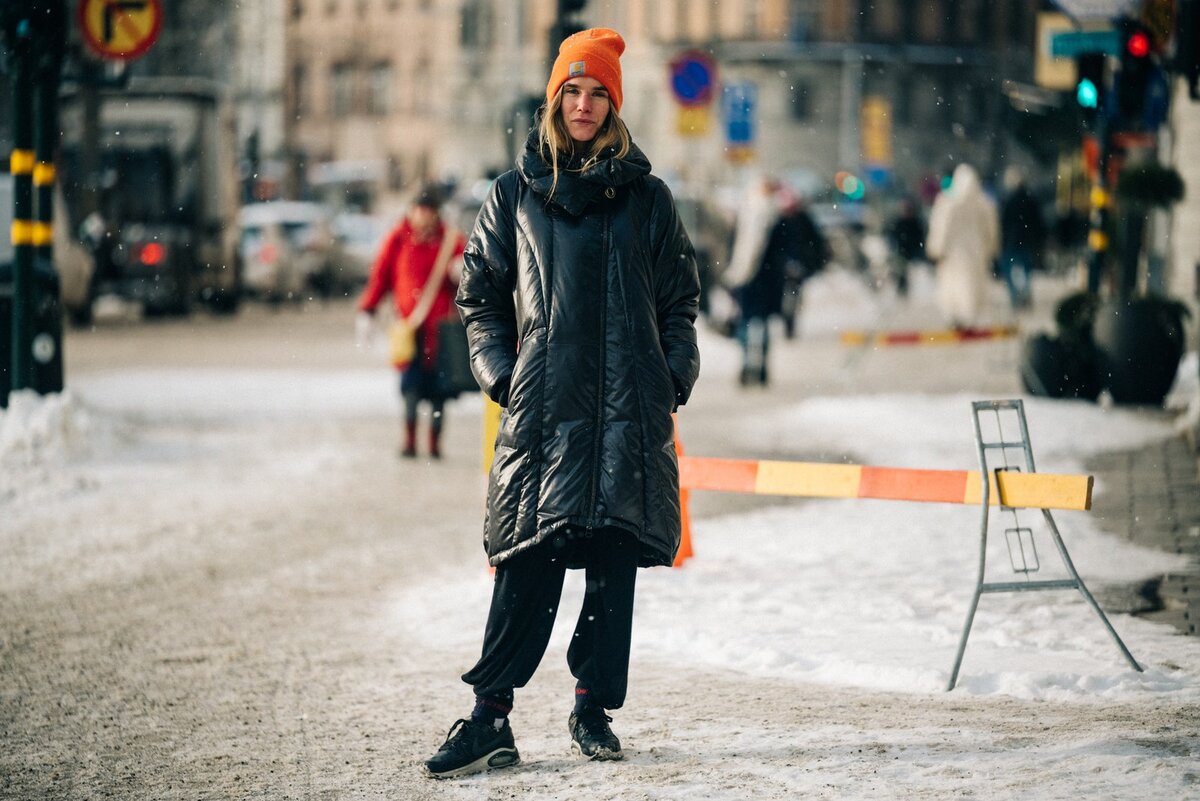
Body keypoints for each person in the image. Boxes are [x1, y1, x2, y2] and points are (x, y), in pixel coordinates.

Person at [423, 27, 700, 778]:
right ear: (554, 100)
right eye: (571, 91)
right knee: (529, 557)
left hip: (628, 407)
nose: (582, 104)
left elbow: (680, 299)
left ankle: (591, 705)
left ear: (615, 103)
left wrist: (671, 373)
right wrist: (504, 375)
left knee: (614, 557)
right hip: (544, 408)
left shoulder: (648, 200)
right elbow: (476, 292)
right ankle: (490, 717)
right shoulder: (513, 195)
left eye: (597, 92)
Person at [356, 185, 466, 459]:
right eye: (419, 210)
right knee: (410, 390)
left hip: (441, 333)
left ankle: (435, 444)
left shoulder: (452, 242)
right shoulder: (398, 239)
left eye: (428, 211)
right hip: (410, 331)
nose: (422, 216)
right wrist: (368, 309)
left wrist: (463, 272)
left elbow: (474, 277)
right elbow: (380, 276)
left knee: (440, 393)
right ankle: (409, 441)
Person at [722, 176, 782, 385]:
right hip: (765, 279)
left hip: (748, 279)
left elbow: (735, 247)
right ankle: (761, 368)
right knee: (759, 324)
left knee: (746, 323)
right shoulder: (774, 216)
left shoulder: (747, 215)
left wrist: (734, 272)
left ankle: (748, 366)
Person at [925, 164, 1000, 328]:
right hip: (976, 251)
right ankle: (969, 316)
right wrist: (992, 247)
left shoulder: (948, 202)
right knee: (973, 284)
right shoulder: (984, 203)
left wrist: (937, 248)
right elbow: (991, 229)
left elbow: (941, 227)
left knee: (953, 285)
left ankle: (955, 316)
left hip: (954, 253)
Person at [999, 167, 1046, 310]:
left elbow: (1004, 222)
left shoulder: (1009, 200)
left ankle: (1016, 297)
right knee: (1026, 269)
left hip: (1012, 241)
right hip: (1026, 240)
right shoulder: (1030, 199)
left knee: (1008, 269)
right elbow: (1038, 221)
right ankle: (1024, 293)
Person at [886, 196, 926, 298]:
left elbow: (920, 239)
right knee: (901, 275)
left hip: (914, 255)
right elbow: (892, 237)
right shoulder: (898, 223)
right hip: (902, 255)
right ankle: (901, 293)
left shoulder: (916, 223)